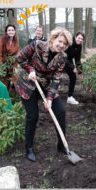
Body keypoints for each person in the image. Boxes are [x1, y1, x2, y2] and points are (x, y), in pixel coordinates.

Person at [15, 27, 72, 162]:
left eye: (65, 44)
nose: (61, 45)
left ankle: (62, 145)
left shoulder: (63, 57)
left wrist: (50, 98)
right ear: (53, 39)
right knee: (33, 116)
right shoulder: (37, 45)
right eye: (60, 41)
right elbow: (20, 58)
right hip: (29, 83)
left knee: (61, 112)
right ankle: (29, 148)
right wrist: (30, 69)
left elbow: (57, 78)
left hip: (46, 84)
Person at [0, 24, 20, 91]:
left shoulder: (16, 41)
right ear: (6, 32)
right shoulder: (1, 40)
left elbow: (16, 56)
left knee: (16, 81)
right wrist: (0, 67)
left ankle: (18, 96)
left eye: (12, 30)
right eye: (9, 30)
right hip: (3, 64)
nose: (11, 32)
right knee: (4, 82)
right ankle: (4, 98)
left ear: (14, 31)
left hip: (12, 65)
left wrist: (15, 67)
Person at [64, 31, 85, 105]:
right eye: (79, 38)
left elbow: (77, 60)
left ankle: (70, 97)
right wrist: (72, 67)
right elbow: (64, 57)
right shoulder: (69, 42)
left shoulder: (79, 46)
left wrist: (80, 71)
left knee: (73, 77)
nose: (80, 40)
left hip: (68, 60)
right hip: (60, 58)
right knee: (55, 76)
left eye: (82, 39)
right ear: (75, 37)